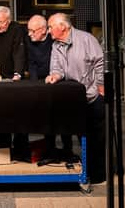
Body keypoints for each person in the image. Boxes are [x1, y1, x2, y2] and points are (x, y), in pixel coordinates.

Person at [45, 13, 105, 184]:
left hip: (94, 96)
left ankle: (99, 176)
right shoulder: (56, 45)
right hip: (76, 99)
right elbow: (56, 66)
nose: (49, 31)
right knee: (82, 136)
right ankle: (87, 172)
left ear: (62, 27)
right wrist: (55, 76)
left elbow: (100, 62)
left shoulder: (86, 39)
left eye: (50, 27)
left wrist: (99, 85)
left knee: (97, 138)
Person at [26, 14, 73, 163]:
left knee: (64, 118)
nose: (29, 34)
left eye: (32, 31)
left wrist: (56, 76)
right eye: (29, 30)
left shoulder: (54, 39)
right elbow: (31, 63)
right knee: (47, 119)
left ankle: (68, 150)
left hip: (59, 82)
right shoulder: (29, 40)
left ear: (43, 30)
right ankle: (50, 150)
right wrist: (35, 84)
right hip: (41, 82)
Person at [0, 6, 29, 160]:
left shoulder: (16, 29)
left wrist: (18, 73)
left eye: (3, 22)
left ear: (9, 20)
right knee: (1, 118)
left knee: (19, 118)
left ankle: (21, 153)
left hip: (14, 79)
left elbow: (19, 52)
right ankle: (3, 153)